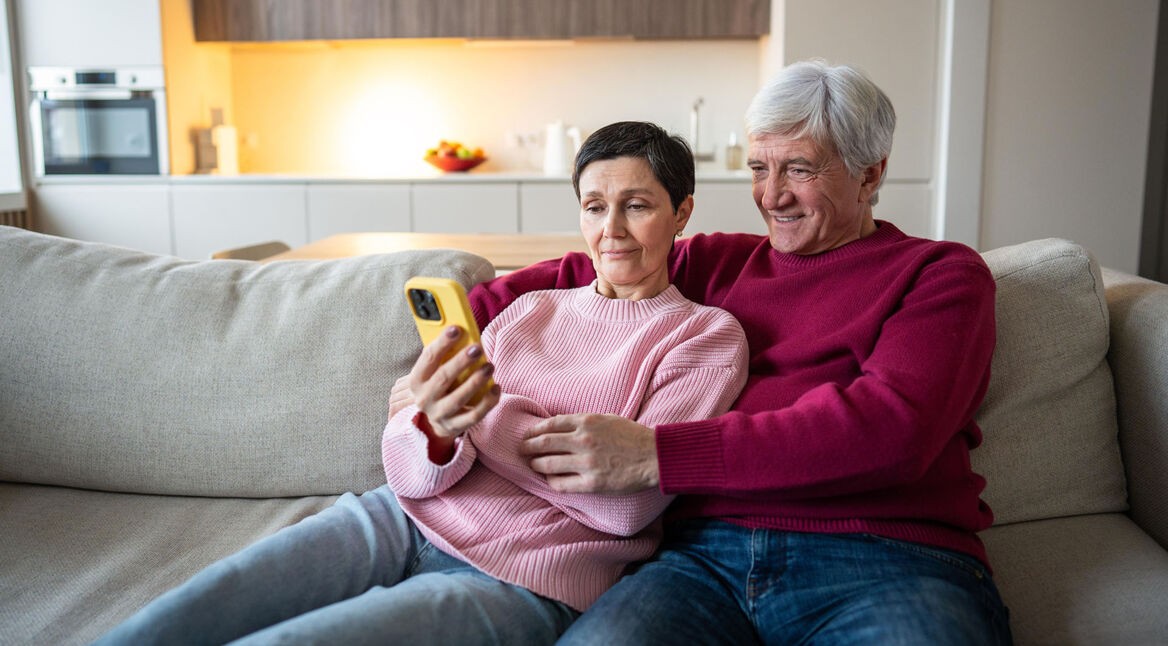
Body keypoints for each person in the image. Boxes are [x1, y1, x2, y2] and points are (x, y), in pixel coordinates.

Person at [94, 121, 748, 645]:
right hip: (397, 520)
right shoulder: (530, 309)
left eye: (637, 206)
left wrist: (482, 417)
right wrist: (435, 424)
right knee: (179, 616)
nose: (612, 231)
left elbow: (625, 505)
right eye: (595, 206)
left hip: (525, 578)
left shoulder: (703, 337)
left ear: (681, 211)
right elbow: (409, 466)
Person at [453, 60, 1015, 644]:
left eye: (799, 169)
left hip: (887, 559)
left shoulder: (939, 274)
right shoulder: (717, 262)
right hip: (701, 562)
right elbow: (574, 272)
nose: (773, 196)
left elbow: (891, 431)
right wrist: (446, 343)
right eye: (758, 168)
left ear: (870, 175)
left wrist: (658, 454)